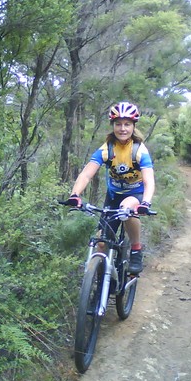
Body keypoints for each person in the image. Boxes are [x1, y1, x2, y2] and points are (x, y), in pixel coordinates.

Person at [66, 101, 155, 273]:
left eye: (127, 124)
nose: (122, 128)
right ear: (113, 125)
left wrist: (146, 202)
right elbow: (86, 174)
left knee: (126, 209)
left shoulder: (139, 151)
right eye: (118, 124)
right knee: (101, 243)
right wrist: (75, 194)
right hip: (113, 196)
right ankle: (105, 281)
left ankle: (136, 249)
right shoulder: (106, 149)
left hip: (134, 195)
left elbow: (148, 181)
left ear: (133, 126)